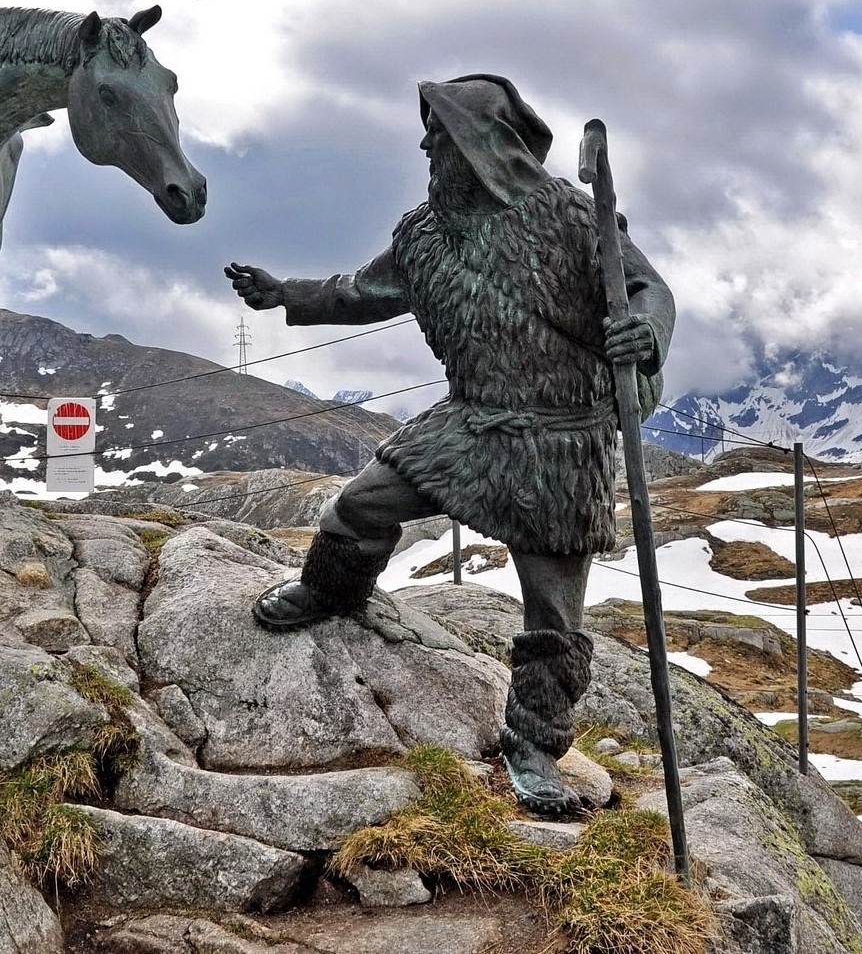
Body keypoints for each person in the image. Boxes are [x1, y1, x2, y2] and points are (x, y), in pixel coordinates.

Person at [225, 75, 675, 815]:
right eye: (428, 129)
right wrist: (287, 294)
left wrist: (647, 330)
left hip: (561, 440)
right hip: (471, 419)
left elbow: (647, 289)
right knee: (362, 505)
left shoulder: (567, 214)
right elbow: (361, 292)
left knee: (552, 617)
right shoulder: (423, 234)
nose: (427, 143)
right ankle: (332, 592)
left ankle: (532, 747)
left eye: (440, 130)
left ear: (483, 141)